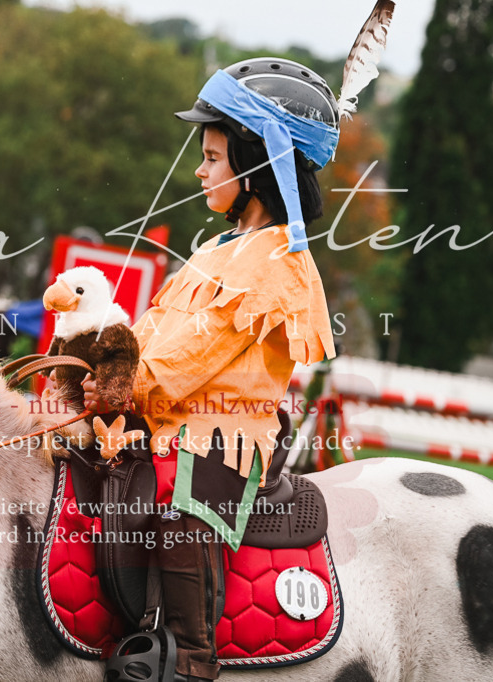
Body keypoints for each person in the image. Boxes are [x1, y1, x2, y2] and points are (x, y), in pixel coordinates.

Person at [86, 57, 339, 682]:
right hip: (165, 420)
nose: (199, 170)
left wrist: (129, 385)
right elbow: (155, 332)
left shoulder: (277, 261)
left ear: (256, 165)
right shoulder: (216, 247)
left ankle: (190, 658)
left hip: (222, 437)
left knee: (181, 509)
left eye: (213, 157)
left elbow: (193, 355)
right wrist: (97, 364)